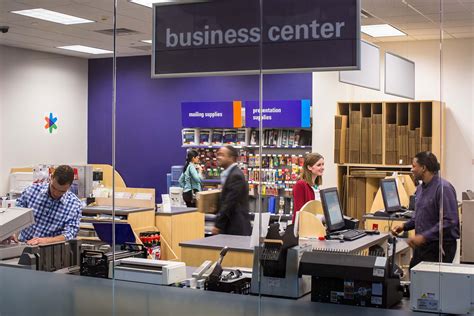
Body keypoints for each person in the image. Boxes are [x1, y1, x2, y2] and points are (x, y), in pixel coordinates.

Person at [392, 151, 460, 269]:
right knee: (415, 277)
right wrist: (404, 226)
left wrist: (424, 236)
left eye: (414, 166)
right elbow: (421, 216)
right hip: (423, 246)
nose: (411, 169)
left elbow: (449, 221)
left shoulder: (444, 188)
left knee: (429, 284)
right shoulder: (420, 189)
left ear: (423, 168)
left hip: (439, 247)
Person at [15, 165, 83, 245]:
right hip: (23, 245)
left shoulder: (74, 204)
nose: (56, 193)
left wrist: (46, 241)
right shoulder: (31, 191)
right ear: (51, 177)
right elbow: (15, 214)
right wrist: (10, 233)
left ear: (70, 186)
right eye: (53, 187)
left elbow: (70, 234)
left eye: (62, 191)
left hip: (49, 250)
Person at [211, 145, 251, 236]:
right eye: (217, 154)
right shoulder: (229, 174)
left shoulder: (235, 176)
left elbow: (229, 203)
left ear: (231, 158)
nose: (218, 157)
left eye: (221, 155)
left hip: (235, 228)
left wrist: (218, 225)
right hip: (230, 227)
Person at [292, 153, 325, 222]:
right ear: (309, 167)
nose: (322, 168)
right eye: (319, 165)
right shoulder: (300, 185)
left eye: (323, 164)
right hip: (305, 229)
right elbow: (300, 213)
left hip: (316, 225)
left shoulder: (315, 185)